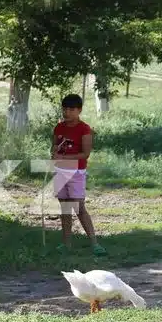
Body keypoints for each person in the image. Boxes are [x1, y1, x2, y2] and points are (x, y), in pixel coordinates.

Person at [51, 93, 106, 256]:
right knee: (65, 208)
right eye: (65, 108)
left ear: (79, 110)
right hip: (59, 171)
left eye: (71, 109)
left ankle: (94, 244)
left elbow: (85, 154)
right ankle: (66, 244)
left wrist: (64, 157)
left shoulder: (84, 129)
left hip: (76, 172)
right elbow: (54, 146)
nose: (67, 112)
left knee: (79, 207)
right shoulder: (59, 127)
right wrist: (54, 154)